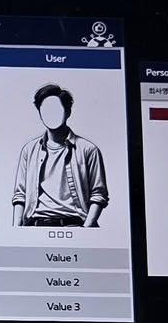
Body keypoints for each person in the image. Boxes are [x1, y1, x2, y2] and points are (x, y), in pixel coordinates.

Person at [11, 84, 108, 228]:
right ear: (40, 114)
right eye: (46, 110)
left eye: (56, 110)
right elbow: (20, 195)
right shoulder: (29, 150)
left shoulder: (88, 150)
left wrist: (85, 229)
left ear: (68, 112)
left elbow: (99, 195)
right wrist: (16, 231)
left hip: (74, 225)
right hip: (36, 226)